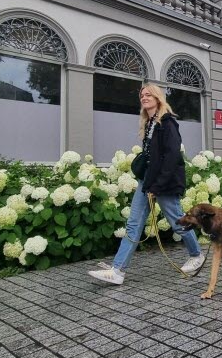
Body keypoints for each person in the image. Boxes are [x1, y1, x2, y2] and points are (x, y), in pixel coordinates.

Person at [88, 84, 205, 285]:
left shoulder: (168, 123)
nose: (144, 97)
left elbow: (171, 158)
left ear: (158, 98)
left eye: (148, 94)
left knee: (178, 221)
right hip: (148, 181)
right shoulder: (149, 123)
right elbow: (152, 158)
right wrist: (148, 182)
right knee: (133, 224)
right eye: (142, 95)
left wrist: (157, 186)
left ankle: (196, 255)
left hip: (164, 183)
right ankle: (118, 270)